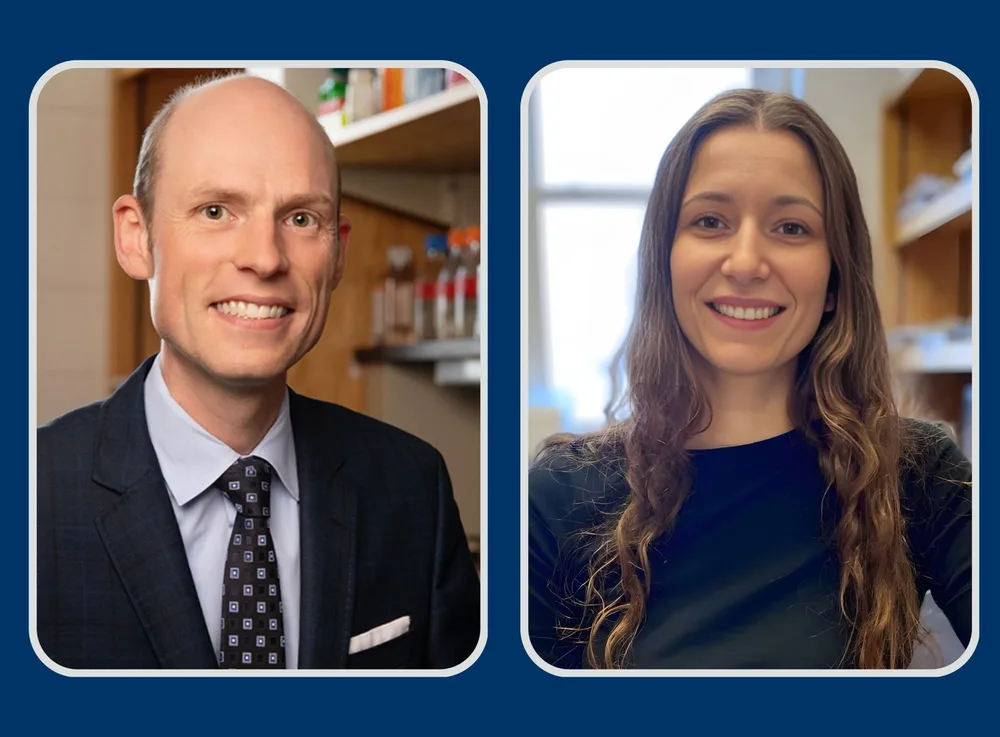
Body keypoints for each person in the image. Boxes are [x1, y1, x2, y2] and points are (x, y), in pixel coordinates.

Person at [36, 73, 480, 670]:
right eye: (216, 210)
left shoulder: (410, 486)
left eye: (300, 219)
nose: (265, 258)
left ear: (338, 252)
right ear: (136, 238)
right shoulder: (32, 496)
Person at [527, 88, 972, 670]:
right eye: (710, 221)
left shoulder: (917, 473)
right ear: (664, 258)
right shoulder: (561, 492)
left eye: (791, 228)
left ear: (835, 275)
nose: (744, 262)